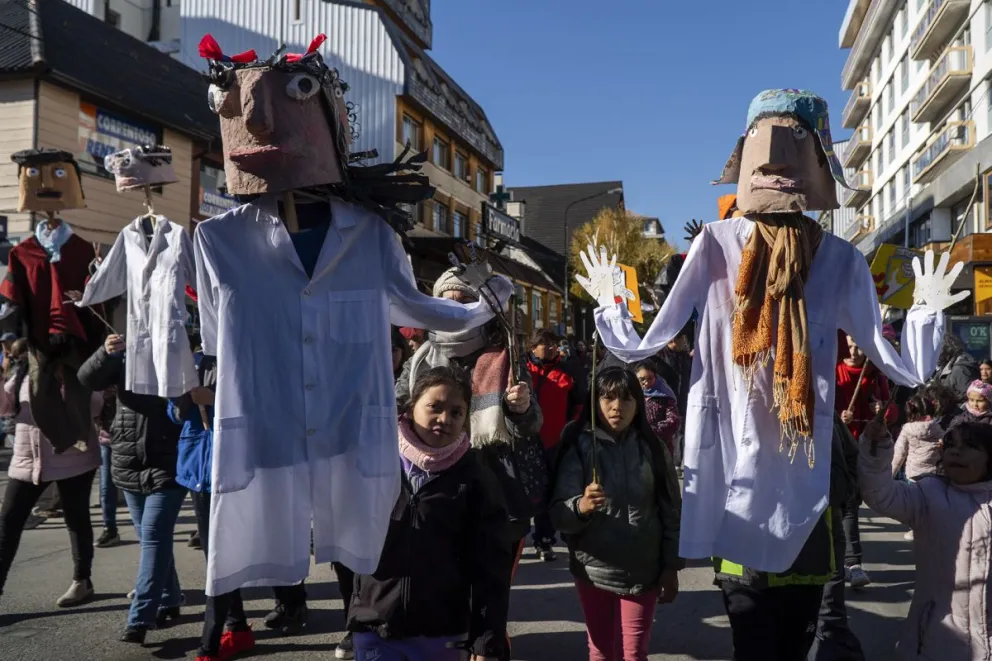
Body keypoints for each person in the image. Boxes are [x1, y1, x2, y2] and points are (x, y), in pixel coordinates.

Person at [348, 366, 511, 661]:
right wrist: (359, 610)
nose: (444, 419)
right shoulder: (375, 461)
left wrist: (486, 640)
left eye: (456, 412)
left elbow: (491, 569)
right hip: (375, 628)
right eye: (435, 407)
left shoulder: (476, 478)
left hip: (443, 635)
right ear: (412, 407)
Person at [551, 367, 682, 661]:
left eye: (626, 399)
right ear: (594, 402)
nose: (616, 407)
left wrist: (671, 566)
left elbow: (672, 510)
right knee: (602, 651)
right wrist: (581, 506)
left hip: (643, 571)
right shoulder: (580, 446)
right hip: (594, 571)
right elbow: (558, 514)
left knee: (634, 654)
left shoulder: (652, 448)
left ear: (639, 403)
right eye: (608, 398)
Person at [78, 333, 184, 644]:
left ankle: (139, 617)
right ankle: (170, 597)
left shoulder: (181, 349)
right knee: (153, 537)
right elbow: (87, 378)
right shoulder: (128, 353)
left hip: (168, 462)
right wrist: (107, 352)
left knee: (152, 535)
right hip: (128, 461)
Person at [859, 420, 992, 660]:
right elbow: (880, 495)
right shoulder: (928, 494)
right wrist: (876, 449)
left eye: (969, 446)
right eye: (951, 444)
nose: (956, 451)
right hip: (936, 631)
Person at [169, 353, 255, 661]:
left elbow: (258, 408)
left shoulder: (244, 356)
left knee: (224, 556)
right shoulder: (193, 361)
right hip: (199, 472)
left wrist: (216, 398)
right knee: (214, 559)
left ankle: (211, 642)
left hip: (233, 470)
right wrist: (182, 392)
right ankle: (238, 627)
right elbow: (174, 414)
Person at [0, 349, 102, 607]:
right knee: (8, 523)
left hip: (74, 458)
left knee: (76, 519)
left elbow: (95, 406)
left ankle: (82, 581)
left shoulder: (76, 372)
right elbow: (4, 408)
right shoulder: (24, 373)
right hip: (27, 461)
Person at [525, 328, 576, 562]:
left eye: (554, 343)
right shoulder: (523, 372)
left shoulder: (566, 371)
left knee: (553, 491)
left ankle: (545, 539)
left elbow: (578, 405)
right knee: (527, 494)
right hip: (526, 442)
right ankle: (521, 539)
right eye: (545, 343)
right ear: (532, 347)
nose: (551, 347)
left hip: (556, 442)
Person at [890, 387, 945, 542]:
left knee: (916, 503)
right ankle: (932, 526)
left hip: (913, 472)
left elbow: (899, 453)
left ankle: (916, 528)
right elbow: (945, 445)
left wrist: (889, 474)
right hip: (934, 472)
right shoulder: (937, 427)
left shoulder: (907, 429)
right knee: (932, 502)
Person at [633, 359, 680, 456]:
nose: (646, 383)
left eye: (650, 378)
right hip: (636, 447)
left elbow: (673, 421)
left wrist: (651, 430)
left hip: (660, 447)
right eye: (642, 379)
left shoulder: (665, 396)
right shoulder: (633, 396)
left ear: (656, 377)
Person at [94, 385, 121, 548]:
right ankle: (109, 528)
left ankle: (148, 526)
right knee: (106, 486)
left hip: (131, 438)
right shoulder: (101, 377)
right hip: (107, 438)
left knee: (137, 487)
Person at [930, 334, 980, 401]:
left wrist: (946, 398)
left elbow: (969, 396)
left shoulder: (960, 369)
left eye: (936, 351)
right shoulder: (946, 366)